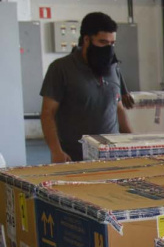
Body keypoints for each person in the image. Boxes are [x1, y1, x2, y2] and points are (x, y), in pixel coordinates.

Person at [40, 12, 134, 163]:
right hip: (74, 158)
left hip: (114, 157)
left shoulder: (113, 68)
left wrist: (133, 143)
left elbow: (119, 109)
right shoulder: (61, 68)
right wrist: (56, 151)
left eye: (112, 43)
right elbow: (47, 113)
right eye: (103, 42)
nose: (108, 48)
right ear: (86, 39)